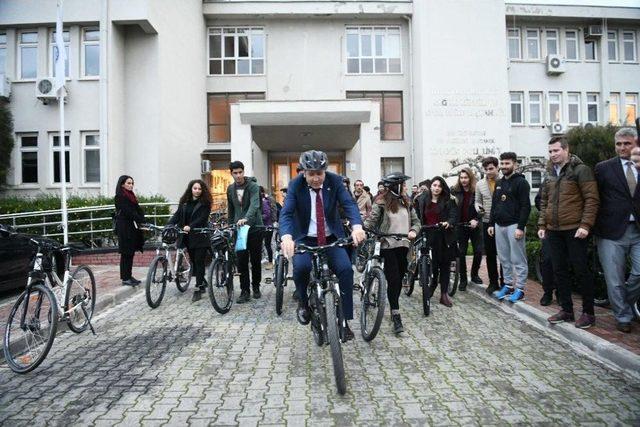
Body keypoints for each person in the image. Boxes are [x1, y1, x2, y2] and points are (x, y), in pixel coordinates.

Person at [280, 150, 366, 341]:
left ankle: (344, 321)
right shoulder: (295, 185)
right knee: (301, 268)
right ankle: (303, 302)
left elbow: (349, 204)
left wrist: (357, 226)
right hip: (304, 237)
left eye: (320, 173)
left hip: (330, 237)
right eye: (312, 174)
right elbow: (286, 213)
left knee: (345, 270)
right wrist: (286, 236)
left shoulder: (335, 182)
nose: (316, 178)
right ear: (303, 173)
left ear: (325, 171)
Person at [538, 137, 600, 328]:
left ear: (566, 149)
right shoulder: (549, 173)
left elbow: (592, 199)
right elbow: (544, 201)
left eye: (556, 151)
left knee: (581, 271)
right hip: (553, 230)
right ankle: (566, 310)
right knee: (559, 271)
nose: (552, 155)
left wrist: (586, 225)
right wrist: (542, 225)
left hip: (575, 229)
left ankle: (588, 313)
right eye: (550, 151)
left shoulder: (581, 170)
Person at [594, 127, 640, 333]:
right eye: (618, 144)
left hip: (638, 230)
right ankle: (623, 316)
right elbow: (594, 198)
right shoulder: (603, 168)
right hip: (611, 232)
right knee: (614, 279)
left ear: (635, 144)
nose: (622, 148)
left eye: (627, 143)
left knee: (638, 274)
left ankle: (624, 302)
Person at [364, 172, 420, 334]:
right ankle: (396, 313)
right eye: (403, 184)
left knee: (399, 278)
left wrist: (414, 231)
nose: (405, 187)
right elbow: (372, 219)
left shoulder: (406, 202)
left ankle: (394, 306)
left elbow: (416, 222)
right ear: (396, 185)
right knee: (394, 280)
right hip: (387, 245)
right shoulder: (381, 202)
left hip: (404, 245)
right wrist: (363, 228)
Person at [488, 152, 531, 303]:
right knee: (504, 258)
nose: (505, 166)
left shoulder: (521, 183)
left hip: (514, 225)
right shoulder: (499, 183)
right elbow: (495, 205)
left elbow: (526, 206)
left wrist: (521, 227)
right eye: (503, 163)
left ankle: (519, 289)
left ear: (515, 164)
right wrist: (491, 223)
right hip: (499, 225)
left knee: (518, 259)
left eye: (508, 163)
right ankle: (508, 285)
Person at [415, 176, 458, 308]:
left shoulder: (448, 200)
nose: (437, 188)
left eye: (439, 186)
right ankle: (432, 285)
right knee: (431, 265)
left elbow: (453, 215)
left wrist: (448, 222)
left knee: (444, 265)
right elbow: (416, 216)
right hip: (427, 234)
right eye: (434, 185)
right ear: (430, 186)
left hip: (443, 235)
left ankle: (444, 294)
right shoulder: (422, 199)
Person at [168, 179, 213, 302]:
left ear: (202, 190)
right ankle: (202, 281)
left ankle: (198, 288)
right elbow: (177, 215)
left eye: (199, 189)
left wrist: (191, 226)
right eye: (195, 188)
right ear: (191, 189)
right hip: (187, 236)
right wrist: (169, 224)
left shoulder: (205, 203)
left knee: (199, 261)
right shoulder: (184, 202)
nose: (197, 191)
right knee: (194, 261)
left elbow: (202, 218)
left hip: (200, 236)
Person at [227, 161, 263, 303]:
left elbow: (255, 205)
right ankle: (244, 290)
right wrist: (230, 224)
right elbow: (231, 208)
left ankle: (256, 286)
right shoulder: (230, 189)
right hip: (239, 230)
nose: (238, 175)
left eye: (240, 172)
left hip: (254, 228)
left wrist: (246, 219)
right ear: (231, 174)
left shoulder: (253, 186)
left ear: (243, 171)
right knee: (241, 261)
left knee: (255, 259)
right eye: (235, 173)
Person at [451, 167, 483, 291]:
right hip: (461, 226)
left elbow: (482, 207)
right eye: (461, 177)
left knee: (478, 251)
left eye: (466, 177)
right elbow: (451, 207)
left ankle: (474, 274)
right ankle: (463, 279)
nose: (464, 180)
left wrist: (476, 219)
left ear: (470, 178)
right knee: (462, 252)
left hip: (475, 225)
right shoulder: (454, 191)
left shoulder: (477, 190)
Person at [475, 157, 503, 294]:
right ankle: (493, 282)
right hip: (486, 221)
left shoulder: (504, 181)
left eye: (491, 168)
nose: (488, 172)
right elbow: (477, 201)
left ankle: (505, 283)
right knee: (490, 254)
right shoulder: (480, 184)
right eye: (486, 169)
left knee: (504, 254)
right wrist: (479, 208)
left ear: (497, 167)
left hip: (503, 221)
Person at [114, 175, 145, 286]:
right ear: (122, 184)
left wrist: (142, 218)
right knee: (126, 253)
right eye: (128, 183)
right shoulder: (120, 196)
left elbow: (137, 209)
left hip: (131, 228)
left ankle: (129, 275)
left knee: (130, 253)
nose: (131, 185)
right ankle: (125, 278)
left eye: (132, 183)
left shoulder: (130, 195)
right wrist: (139, 218)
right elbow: (129, 212)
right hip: (124, 228)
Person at [534, 191, 557, 306]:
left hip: (568, 225)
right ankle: (547, 292)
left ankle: (561, 293)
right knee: (547, 260)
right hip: (549, 226)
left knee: (563, 261)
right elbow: (539, 200)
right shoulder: (549, 178)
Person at [260, 186, 278, 267]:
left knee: (268, 244)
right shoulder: (261, 201)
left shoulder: (264, 202)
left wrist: (258, 217)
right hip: (263, 226)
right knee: (262, 244)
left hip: (267, 227)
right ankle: (265, 259)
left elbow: (267, 214)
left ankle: (271, 261)